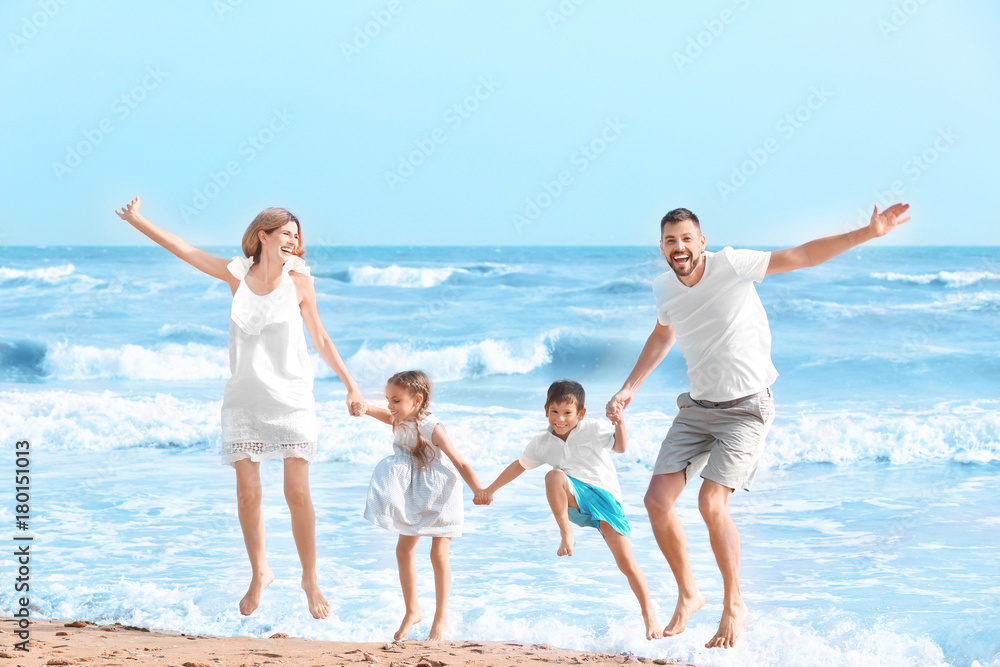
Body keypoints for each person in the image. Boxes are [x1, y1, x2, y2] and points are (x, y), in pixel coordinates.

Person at [606, 203, 911, 649]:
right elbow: (663, 333)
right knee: (656, 501)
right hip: (697, 408)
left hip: (747, 408)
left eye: (687, 238)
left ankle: (735, 605)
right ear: (662, 248)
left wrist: (868, 232)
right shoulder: (664, 289)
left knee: (712, 503)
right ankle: (690, 593)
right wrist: (630, 386)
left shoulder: (731, 264)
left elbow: (802, 256)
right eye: (671, 241)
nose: (679, 247)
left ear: (701, 241)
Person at [115, 196, 366, 619]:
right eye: (286, 233)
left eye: (297, 236)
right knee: (248, 495)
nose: (293, 240)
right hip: (244, 399)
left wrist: (351, 385)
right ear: (263, 236)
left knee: (297, 493)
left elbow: (321, 340)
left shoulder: (300, 283)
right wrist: (139, 220)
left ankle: (309, 578)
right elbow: (183, 249)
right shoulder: (236, 275)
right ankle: (261, 571)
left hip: (291, 398)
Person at [476, 380, 662, 640]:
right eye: (554, 411)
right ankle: (566, 534)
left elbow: (620, 447)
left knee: (627, 563)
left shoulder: (593, 428)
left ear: (580, 414)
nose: (560, 419)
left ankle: (649, 615)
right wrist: (490, 489)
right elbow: (519, 465)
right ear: (545, 410)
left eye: (567, 413)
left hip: (605, 498)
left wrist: (620, 422)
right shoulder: (542, 442)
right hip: (573, 498)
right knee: (554, 475)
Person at [362, 369, 486, 641]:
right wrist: (368, 409)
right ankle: (412, 610)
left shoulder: (433, 427)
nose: (389, 406)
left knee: (438, 555)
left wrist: (478, 488)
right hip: (416, 492)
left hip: (442, 494)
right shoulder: (400, 417)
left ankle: (440, 619)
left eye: (395, 400)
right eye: (387, 399)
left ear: (416, 401)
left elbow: (460, 461)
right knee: (403, 550)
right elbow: (388, 418)